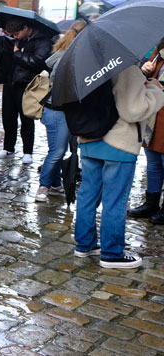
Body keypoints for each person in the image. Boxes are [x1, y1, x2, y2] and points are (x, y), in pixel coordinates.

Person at [74, 66, 164, 268]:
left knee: (88, 195)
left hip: (90, 137)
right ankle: (112, 253)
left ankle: (84, 244)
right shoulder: (125, 67)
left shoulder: (89, 64)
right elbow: (133, 111)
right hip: (118, 141)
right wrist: (155, 90)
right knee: (114, 200)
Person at [34, 19, 87, 202]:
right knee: (56, 151)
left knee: (58, 150)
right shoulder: (70, 57)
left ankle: (56, 184)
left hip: (55, 110)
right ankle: (43, 186)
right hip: (58, 110)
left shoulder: (62, 52)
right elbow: (64, 85)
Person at [0, 18, 53, 164]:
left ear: (25, 28)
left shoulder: (42, 41)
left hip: (28, 85)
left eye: (16, 34)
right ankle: (8, 148)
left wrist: (18, 54)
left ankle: (27, 151)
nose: (15, 37)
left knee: (26, 118)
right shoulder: (17, 41)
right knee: (8, 117)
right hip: (11, 82)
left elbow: (37, 62)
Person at [128, 36, 164, 223]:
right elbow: (145, 78)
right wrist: (144, 70)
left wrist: (160, 87)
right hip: (154, 116)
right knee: (153, 162)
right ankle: (151, 202)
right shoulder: (158, 52)